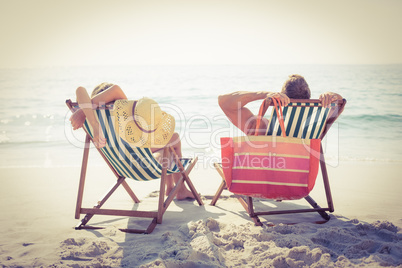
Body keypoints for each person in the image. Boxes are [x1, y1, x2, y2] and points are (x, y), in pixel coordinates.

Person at [69, 82, 195, 200]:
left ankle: (171, 188)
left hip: (122, 166)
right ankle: (180, 189)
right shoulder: (123, 111)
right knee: (174, 139)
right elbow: (115, 89)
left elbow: (80, 90)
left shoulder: (90, 116)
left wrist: (84, 111)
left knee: (170, 140)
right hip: (145, 165)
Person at [218, 74, 344, 135]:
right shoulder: (316, 127)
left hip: (262, 179)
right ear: (308, 98)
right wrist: (333, 96)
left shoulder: (261, 127)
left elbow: (224, 102)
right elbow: (340, 104)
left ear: (282, 96)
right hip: (298, 180)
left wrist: (264, 94)